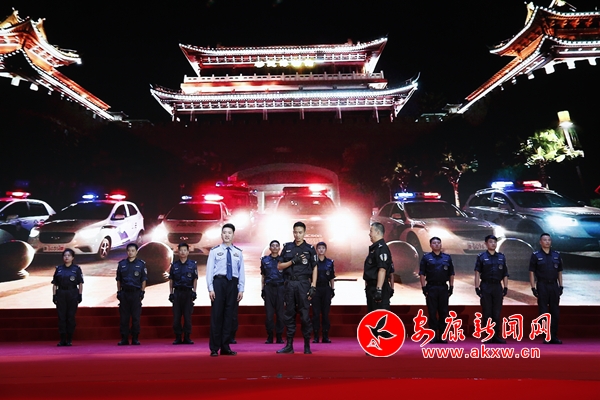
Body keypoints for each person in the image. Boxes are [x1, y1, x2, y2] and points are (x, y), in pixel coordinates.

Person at [277, 221, 318, 355]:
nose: (297, 235)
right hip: (290, 284)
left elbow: (315, 267)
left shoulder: (309, 249)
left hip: (303, 284)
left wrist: (313, 285)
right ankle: (289, 345)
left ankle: (307, 345)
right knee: (289, 314)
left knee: (305, 315)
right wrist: (292, 261)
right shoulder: (288, 247)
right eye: (295, 232)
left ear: (304, 233)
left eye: (300, 232)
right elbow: (279, 266)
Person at [206, 223, 245, 356]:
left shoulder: (238, 252)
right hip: (219, 283)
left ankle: (225, 346)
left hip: (232, 284)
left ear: (233, 235)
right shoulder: (214, 251)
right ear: (221, 235)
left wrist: (241, 289)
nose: (227, 235)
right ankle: (214, 348)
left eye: (229, 233)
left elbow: (241, 272)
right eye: (224, 233)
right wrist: (210, 288)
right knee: (217, 316)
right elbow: (209, 271)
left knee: (229, 316)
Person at [529, 233, 563, 344]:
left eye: (549, 240)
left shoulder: (556, 255)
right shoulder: (536, 255)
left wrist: (561, 285)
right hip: (542, 285)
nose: (547, 242)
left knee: (555, 312)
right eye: (545, 240)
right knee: (543, 312)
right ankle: (546, 336)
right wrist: (533, 287)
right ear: (540, 242)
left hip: (553, 285)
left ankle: (554, 336)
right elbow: (531, 272)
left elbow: (559, 272)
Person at [419, 237, 455, 343]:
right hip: (431, 288)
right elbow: (422, 274)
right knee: (432, 312)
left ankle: (443, 335)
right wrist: (423, 287)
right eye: (434, 243)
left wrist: (451, 287)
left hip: (443, 288)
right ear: (430, 245)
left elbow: (451, 273)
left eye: (438, 243)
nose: (436, 244)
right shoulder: (426, 257)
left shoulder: (447, 257)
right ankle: (433, 335)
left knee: (443, 312)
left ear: (441, 244)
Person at [474, 235, 509, 344]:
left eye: (494, 242)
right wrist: (477, 287)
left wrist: (505, 287)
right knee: (487, 312)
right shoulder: (481, 257)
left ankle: (496, 336)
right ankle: (488, 335)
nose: (493, 244)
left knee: (496, 312)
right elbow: (477, 273)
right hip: (486, 286)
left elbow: (505, 274)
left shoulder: (501, 257)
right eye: (490, 242)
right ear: (486, 244)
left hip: (497, 286)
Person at [116, 243, 147, 346]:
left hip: (135, 293)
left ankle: (135, 338)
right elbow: (119, 280)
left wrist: (142, 292)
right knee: (124, 317)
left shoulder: (141, 264)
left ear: (136, 252)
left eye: (133, 251)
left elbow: (143, 279)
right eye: (129, 250)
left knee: (135, 317)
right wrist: (119, 292)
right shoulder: (121, 264)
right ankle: (124, 338)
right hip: (124, 293)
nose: (130, 252)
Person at [51, 248, 83, 346]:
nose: (66, 257)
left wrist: (80, 295)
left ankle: (69, 339)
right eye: (65, 255)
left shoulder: (76, 269)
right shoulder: (59, 269)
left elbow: (80, 283)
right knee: (61, 317)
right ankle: (62, 339)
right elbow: (55, 284)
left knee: (70, 316)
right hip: (61, 293)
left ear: (73, 257)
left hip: (72, 293)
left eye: (69, 255)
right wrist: (54, 295)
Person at [168, 242, 198, 345]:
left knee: (187, 317)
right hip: (177, 293)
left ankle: (187, 337)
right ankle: (178, 337)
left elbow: (195, 279)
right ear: (178, 251)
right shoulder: (174, 265)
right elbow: (171, 280)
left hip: (188, 293)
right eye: (181, 250)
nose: (183, 252)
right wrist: (171, 293)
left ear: (188, 252)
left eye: (185, 250)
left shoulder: (192, 265)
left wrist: (194, 292)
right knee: (176, 317)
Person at [363, 222, 393, 312]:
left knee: (379, 316)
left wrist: (379, 290)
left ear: (377, 232)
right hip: (372, 287)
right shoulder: (375, 248)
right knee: (372, 316)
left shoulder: (381, 248)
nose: (369, 234)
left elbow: (382, 269)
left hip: (378, 287)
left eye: (371, 231)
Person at [260, 240, 285, 344]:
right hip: (269, 288)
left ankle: (279, 336)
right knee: (269, 314)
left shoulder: (283, 260)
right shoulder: (265, 260)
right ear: (270, 248)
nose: (275, 247)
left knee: (280, 314)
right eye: (273, 246)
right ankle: (270, 336)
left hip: (280, 288)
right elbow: (263, 276)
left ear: (279, 248)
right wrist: (262, 289)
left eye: (276, 246)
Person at [312, 241, 335, 343]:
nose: (321, 250)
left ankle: (325, 336)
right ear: (316, 250)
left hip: (326, 289)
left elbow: (332, 277)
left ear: (326, 250)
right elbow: (310, 277)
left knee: (325, 313)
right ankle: (316, 336)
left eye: (323, 248)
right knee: (316, 313)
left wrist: (332, 289)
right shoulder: (313, 262)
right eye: (319, 248)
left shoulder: (330, 262)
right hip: (316, 289)